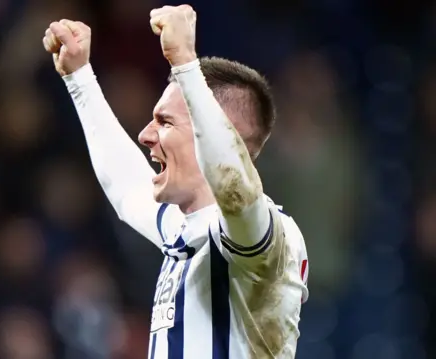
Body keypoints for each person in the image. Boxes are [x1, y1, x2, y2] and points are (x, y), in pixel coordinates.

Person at [42, 4, 309, 359]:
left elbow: (236, 192)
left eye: (165, 122)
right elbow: (127, 190)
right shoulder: (185, 230)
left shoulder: (269, 236)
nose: (145, 134)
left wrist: (185, 61)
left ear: (211, 134)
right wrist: (80, 78)